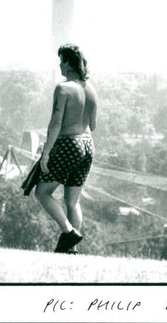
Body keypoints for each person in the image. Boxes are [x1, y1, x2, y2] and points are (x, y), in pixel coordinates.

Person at [36, 44, 98, 253]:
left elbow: (55, 123)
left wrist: (46, 152)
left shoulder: (63, 88)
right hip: (88, 144)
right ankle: (71, 249)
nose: (60, 65)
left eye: (62, 60)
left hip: (68, 143)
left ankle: (68, 231)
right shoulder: (91, 89)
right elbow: (94, 125)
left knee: (42, 192)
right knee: (72, 201)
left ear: (70, 63)